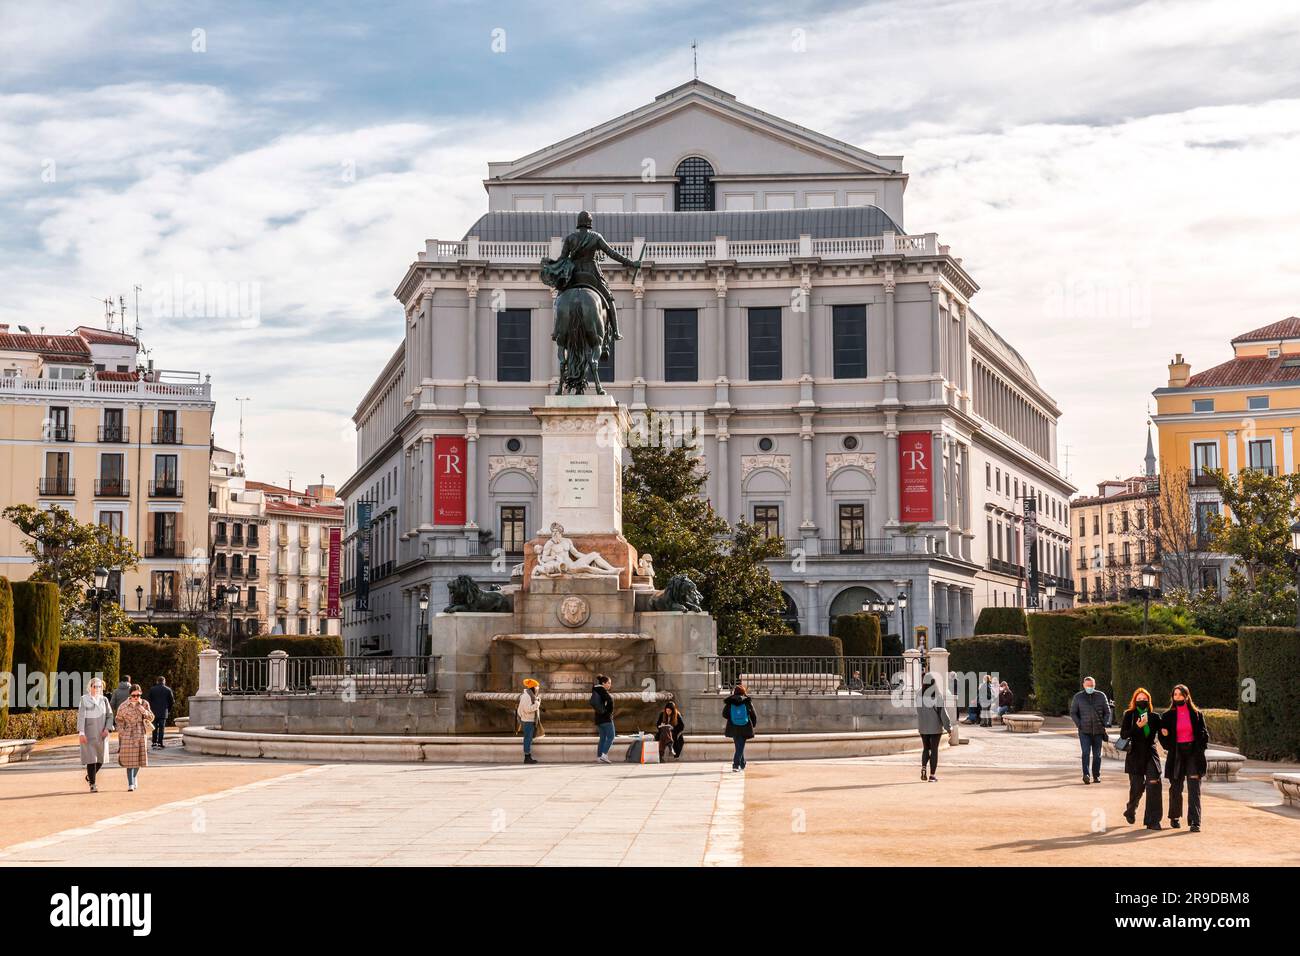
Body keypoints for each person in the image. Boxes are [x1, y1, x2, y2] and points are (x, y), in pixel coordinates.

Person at [1159, 683, 1210, 832]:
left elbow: (1204, 734)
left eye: (1180, 694)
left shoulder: (1197, 714)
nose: (1178, 697)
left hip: (1193, 754)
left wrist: (1200, 745)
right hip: (1176, 754)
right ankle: (1174, 817)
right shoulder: (1167, 716)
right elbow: (1163, 738)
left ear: (1187, 696)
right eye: (1175, 695)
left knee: (1194, 788)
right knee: (1176, 787)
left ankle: (1195, 821)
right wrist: (1166, 736)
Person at [1119, 686, 1164, 830]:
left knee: (1154, 784)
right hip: (1135, 755)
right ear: (1134, 700)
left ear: (1149, 701)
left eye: (1145, 699)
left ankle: (1153, 820)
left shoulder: (1154, 717)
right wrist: (1137, 726)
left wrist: (1166, 732)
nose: (1142, 701)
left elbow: (1162, 734)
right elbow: (1124, 735)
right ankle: (1131, 809)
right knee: (1137, 787)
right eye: (1139, 699)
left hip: (1150, 753)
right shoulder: (1129, 714)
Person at [1070, 676, 1112, 784]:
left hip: (1098, 731)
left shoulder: (1101, 696)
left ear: (1095, 685)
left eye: (1092, 685)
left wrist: (1105, 723)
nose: (1090, 687)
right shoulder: (1078, 697)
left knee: (1097, 755)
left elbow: (1108, 712)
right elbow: (1073, 712)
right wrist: (1079, 725)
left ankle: (1096, 775)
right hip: (1084, 731)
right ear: (1083, 685)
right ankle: (1086, 775)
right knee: (1085, 753)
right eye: (1088, 685)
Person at [77, 678, 114, 793]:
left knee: (101, 759)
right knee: (91, 759)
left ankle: (89, 776)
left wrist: (107, 728)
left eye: (99, 687)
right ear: (90, 687)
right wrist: (81, 733)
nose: (97, 689)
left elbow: (110, 716)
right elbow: (81, 717)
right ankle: (93, 784)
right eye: (95, 686)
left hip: (102, 734)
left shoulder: (104, 700)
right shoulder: (84, 699)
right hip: (88, 734)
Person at [114, 684, 153, 792]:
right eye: (134, 695)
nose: (136, 697)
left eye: (138, 695)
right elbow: (118, 720)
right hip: (128, 734)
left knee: (138, 759)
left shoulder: (145, 703)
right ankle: (130, 783)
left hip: (141, 732)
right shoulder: (123, 706)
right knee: (129, 760)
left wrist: (142, 709)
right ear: (130, 695)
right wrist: (122, 732)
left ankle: (134, 777)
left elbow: (151, 717)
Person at [916, 672, 951, 782]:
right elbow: (943, 713)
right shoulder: (937, 695)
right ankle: (932, 775)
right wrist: (948, 728)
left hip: (923, 726)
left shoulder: (918, 694)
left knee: (926, 748)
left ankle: (923, 768)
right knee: (934, 750)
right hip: (935, 727)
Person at [723, 682, 757, 772]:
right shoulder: (747, 701)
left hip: (733, 726)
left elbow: (724, 714)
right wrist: (753, 725)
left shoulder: (730, 702)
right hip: (745, 726)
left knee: (739, 746)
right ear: (743, 691)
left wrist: (732, 718)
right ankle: (735, 765)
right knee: (740, 746)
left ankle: (742, 763)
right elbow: (753, 715)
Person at [590, 675, 615, 763]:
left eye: (610, 683)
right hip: (605, 718)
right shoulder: (602, 690)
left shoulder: (595, 690)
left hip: (598, 718)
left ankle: (599, 757)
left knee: (603, 738)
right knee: (611, 736)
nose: (610, 685)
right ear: (603, 683)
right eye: (608, 683)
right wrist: (609, 713)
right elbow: (610, 700)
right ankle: (604, 755)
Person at [145, 676, 174, 750]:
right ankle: (160, 743)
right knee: (162, 728)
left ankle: (154, 742)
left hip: (154, 712)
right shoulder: (168, 690)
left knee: (154, 727)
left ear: (157, 681)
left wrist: (150, 710)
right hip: (163, 712)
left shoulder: (152, 689)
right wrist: (168, 709)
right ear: (164, 681)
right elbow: (172, 701)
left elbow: (148, 700)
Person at [517, 678, 542, 764]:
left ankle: (528, 756)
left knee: (529, 738)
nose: (538, 688)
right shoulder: (526, 696)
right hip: (528, 721)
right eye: (537, 687)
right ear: (533, 687)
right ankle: (527, 757)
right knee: (527, 738)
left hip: (529, 720)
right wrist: (537, 704)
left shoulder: (530, 695)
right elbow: (527, 709)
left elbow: (520, 710)